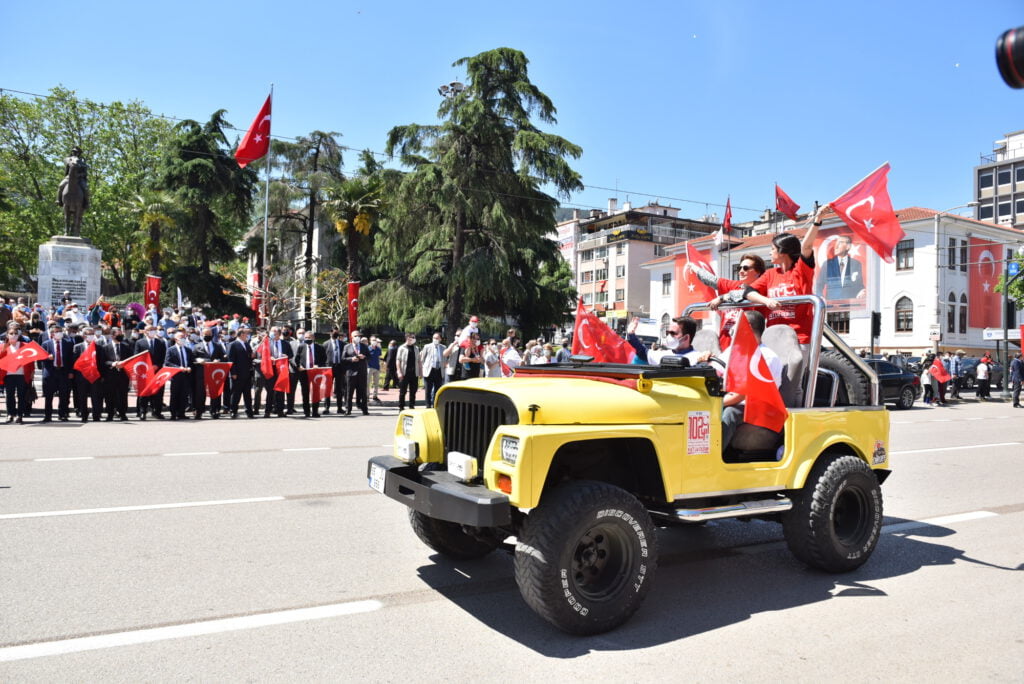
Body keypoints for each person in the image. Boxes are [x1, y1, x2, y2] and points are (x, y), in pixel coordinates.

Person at [718, 311, 784, 450]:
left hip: (758, 407)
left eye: (737, 325)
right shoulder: (735, 350)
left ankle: (713, 458)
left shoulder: (766, 357)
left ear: (747, 327)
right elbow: (717, 369)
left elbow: (745, 394)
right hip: (734, 400)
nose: (732, 329)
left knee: (729, 413)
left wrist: (716, 403)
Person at [693, 253, 767, 350]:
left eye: (745, 268)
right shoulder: (733, 285)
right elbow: (712, 280)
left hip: (748, 349)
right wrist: (693, 267)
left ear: (758, 272)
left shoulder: (762, 287)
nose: (741, 271)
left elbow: (745, 293)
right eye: (739, 268)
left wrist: (722, 298)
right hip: (724, 348)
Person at [627, 315, 702, 366]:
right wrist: (631, 334)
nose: (669, 336)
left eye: (673, 333)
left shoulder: (698, 358)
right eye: (668, 332)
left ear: (686, 338)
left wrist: (705, 359)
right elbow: (642, 353)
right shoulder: (663, 355)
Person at [40, 325, 75, 422]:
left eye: (60, 331)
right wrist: (47, 357)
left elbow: (71, 359)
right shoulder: (46, 344)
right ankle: (48, 415)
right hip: (51, 372)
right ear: (52, 334)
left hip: (63, 372)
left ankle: (62, 414)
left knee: (64, 395)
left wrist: (71, 371)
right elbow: (40, 358)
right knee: (49, 396)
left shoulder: (68, 343)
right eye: (56, 331)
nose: (59, 333)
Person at [816, 234, 865, 300]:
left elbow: (859, 284)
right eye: (836, 243)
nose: (836, 246)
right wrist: (820, 297)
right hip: (832, 306)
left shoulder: (856, 264)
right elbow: (819, 284)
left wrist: (862, 291)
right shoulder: (827, 264)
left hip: (850, 305)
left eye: (840, 243)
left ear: (848, 246)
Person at [0, 328, 34, 423]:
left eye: (15, 333)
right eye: (11, 333)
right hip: (8, 375)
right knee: (9, 396)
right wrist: (3, 349)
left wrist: (32, 372)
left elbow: (31, 359)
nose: (13, 335)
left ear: (19, 335)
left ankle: (20, 415)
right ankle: (10, 414)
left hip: (21, 375)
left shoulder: (25, 346)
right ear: (7, 335)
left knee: (21, 396)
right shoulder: (3, 346)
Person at [71, 326, 104, 423]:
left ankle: (96, 416)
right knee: (82, 396)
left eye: (92, 334)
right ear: (84, 336)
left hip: (94, 376)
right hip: (82, 376)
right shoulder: (77, 347)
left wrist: (101, 375)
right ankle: (84, 415)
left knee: (96, 397)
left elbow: (101, 363)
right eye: (89, 334)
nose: (91, 336)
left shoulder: (99, 347)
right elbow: (74, 362)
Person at [193, 328, 227, 419]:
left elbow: (224, 357)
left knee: (214, 392)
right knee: (200, 393)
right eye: (205, 334)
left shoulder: (217, 346)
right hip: (201, 373)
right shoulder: (197, 346)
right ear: (201, 335)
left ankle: (214, 411)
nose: (207, 336)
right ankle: (199, 411)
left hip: (214, 373)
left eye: (209, 334)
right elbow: (192, 358)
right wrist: (198, 360)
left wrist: (218, 360)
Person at [164, 331, 194, 420]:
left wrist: (189, 367)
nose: (183, 339)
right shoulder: (170, 349)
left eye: (184, 337)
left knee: (184, 395)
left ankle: (181, 413)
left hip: (186, 375)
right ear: (176, 339)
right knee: (175, 395)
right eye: (181, 337)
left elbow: (191, 361)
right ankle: (173, 413)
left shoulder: (188, 350)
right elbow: (167, 362)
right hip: (176, 375)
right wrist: (178, 367)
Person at [296, 330, 327, 417]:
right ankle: (306, 411)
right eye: (305, 337)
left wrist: (319, 365)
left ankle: (315, 411)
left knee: (315, 393)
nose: (307, 339)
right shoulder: (301, 347)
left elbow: (324, 359)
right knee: (305, 392)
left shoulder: (319, 347)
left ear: (313, 338)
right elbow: (296, 359)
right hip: (304, 372)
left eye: (309, 337)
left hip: (315, 372)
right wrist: (298, 366)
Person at [227, 327, 255, 418]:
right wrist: (233, 373)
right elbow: (231, 360)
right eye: (246, 334)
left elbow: (249, 356)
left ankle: (249, 411)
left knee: (247, 394)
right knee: (236, 394)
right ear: (242, 334)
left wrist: (252, 356)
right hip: (237, 374)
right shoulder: (233, 344)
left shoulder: (246, 344)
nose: (247, 336)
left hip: (247, 373)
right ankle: (233, 411)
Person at [342, 330, 370, 415]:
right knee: (349, 392)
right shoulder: (347, 347)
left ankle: (364, 409)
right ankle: (348, 409)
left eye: (359, 336)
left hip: (362, 372)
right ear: (351, 337)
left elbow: (369, 356)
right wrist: (351, 359)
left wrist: (364, 357)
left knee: (363, 392)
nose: (357, 337)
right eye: (355, 336)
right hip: (351, 373)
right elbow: (343, 358)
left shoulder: (364, 346)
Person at [419, 332, 447, 408]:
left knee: (437, 390)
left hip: (439, 371)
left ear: (440, 339)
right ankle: (428, 405)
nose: (435, 339)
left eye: (437, 338)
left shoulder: (443, 347)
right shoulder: (427, 346)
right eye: (434, 338)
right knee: (428, 390)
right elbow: (423, 359)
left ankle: (435, 405)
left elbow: (444, 359)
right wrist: (423, 369)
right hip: (429, 370)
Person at [395, 333, 422, 410]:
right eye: (412, 337)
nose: (414, 339)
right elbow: (398, 360)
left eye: (414, 337)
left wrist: (420, 372)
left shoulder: (416, 348)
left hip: (414, 373)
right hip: (404, 373)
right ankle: (401, 407)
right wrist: (399, 371)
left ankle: (411, 406)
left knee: (413, 391)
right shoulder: (402, 348)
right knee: (403, 391)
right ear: (408, 338)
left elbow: (419, 361)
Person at [323, 329, 346, 414]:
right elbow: (323, 357)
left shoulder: (342, 344)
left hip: (339, 368)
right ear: (330, 333)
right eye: (333, 332)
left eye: (336, 332)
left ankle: (339, 407)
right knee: (327, 388)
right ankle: (326, 407)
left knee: (339, 388)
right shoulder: (325, 344)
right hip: (329, 368)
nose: (334, 334)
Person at [366, 335, 382, 404]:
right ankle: (366, 396)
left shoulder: (378, 349)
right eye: (373, 340)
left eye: (375, 340)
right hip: (369, 367)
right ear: (370, 341)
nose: (374, 341)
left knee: (376, 383)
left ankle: (375, 396)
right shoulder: (367, 348)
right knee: (367, 383)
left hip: (377, 367)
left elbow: (379, 357)